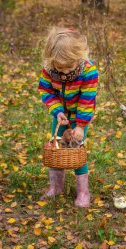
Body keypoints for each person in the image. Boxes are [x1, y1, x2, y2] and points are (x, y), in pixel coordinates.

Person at [38, 26, 98, 208]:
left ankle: (83, 192)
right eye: (59, 68)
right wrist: (57, 111)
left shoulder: (88, 71)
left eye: (68, 68)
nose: (63, 73)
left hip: (80, 116)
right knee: (57, 147)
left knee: (75, 150)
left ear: (77, 58)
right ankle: (56, 187)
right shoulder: (49, 69)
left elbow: (87, 100)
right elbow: (46, 91)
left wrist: (80, 125)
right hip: (61, 115)